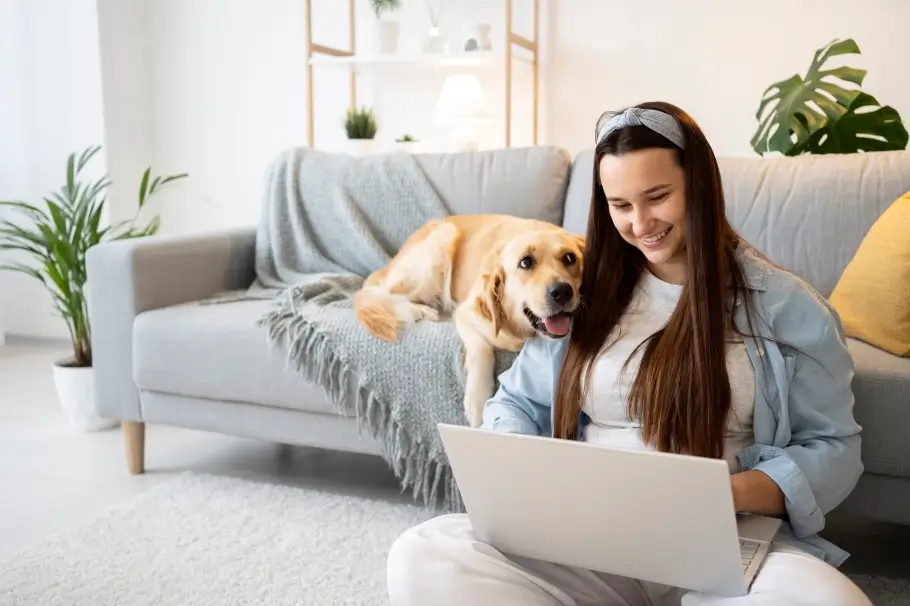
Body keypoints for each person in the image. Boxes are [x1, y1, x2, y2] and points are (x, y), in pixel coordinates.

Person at [385, 101, 872, 605]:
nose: (640, 224)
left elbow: (834, 448)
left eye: (657, 196)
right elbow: (513, 405)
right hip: (588, 544)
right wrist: (527, 482)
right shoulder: (592, 296)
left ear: (699, 187)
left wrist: (727, 495)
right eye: (620, 205)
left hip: (724, 546)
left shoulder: (787, 307)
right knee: (421, 554)